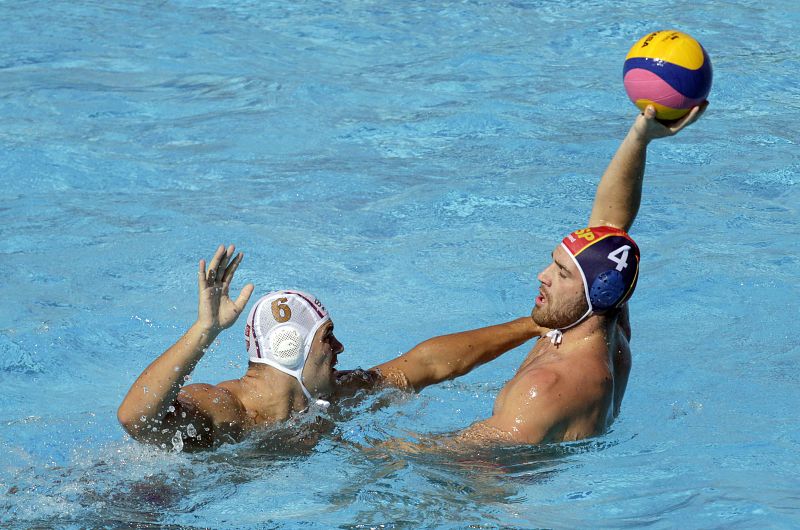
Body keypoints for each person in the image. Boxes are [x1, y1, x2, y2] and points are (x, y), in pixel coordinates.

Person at [118, 104, 704, 450]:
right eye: (328, 336)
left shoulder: (333, 396)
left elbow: (434, 385)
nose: (341, 346)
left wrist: (379, 454)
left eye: (558, 271)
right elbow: (134, 420)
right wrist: (203, 333)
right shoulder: (227, 411)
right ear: (292, 351)